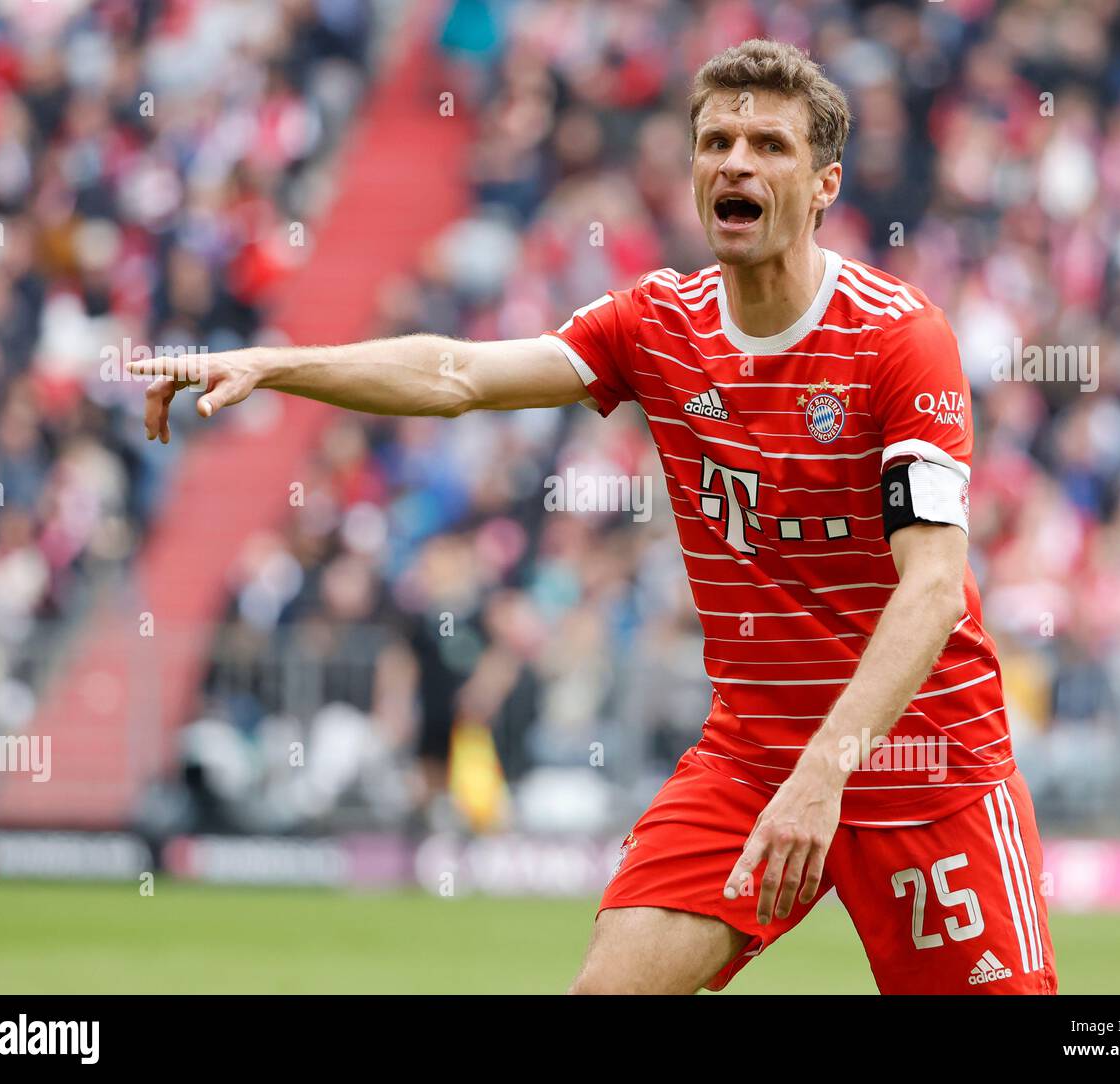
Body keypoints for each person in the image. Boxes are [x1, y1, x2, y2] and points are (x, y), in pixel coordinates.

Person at [128, 39, 1055, 995]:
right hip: (752, 755)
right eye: (717, 141)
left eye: (769, 146)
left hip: (925, 762)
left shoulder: (900, 338)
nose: (735, 161)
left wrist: (828, 774)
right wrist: (278, 364)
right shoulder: (656, 323)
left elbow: (935, 587)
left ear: (824, 184)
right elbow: (459, 375)